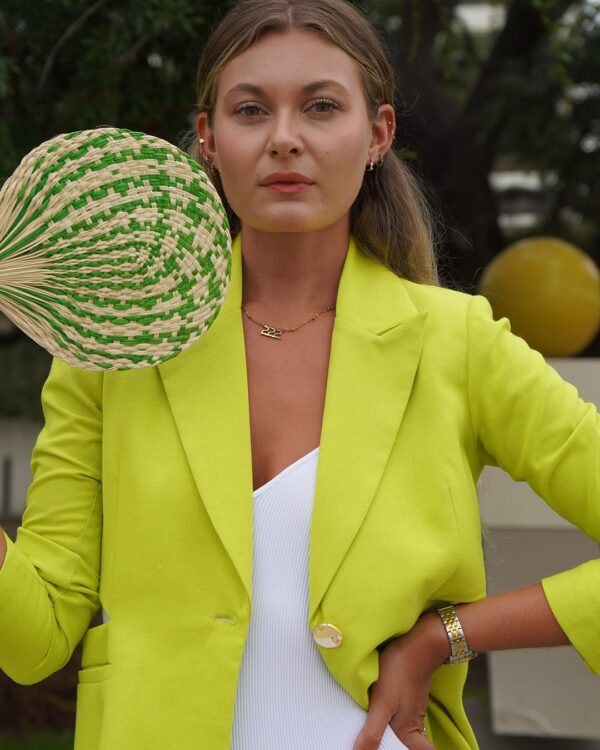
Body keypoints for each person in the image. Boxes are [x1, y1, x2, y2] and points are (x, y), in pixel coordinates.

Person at [0, 0, 599, 748]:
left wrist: (448, 634)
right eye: (251, 110)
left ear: (377, 133)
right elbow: (35, 638)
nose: (284, 140)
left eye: (320, 106)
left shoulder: (457, 343)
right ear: (210, 139)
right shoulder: (115, 350)